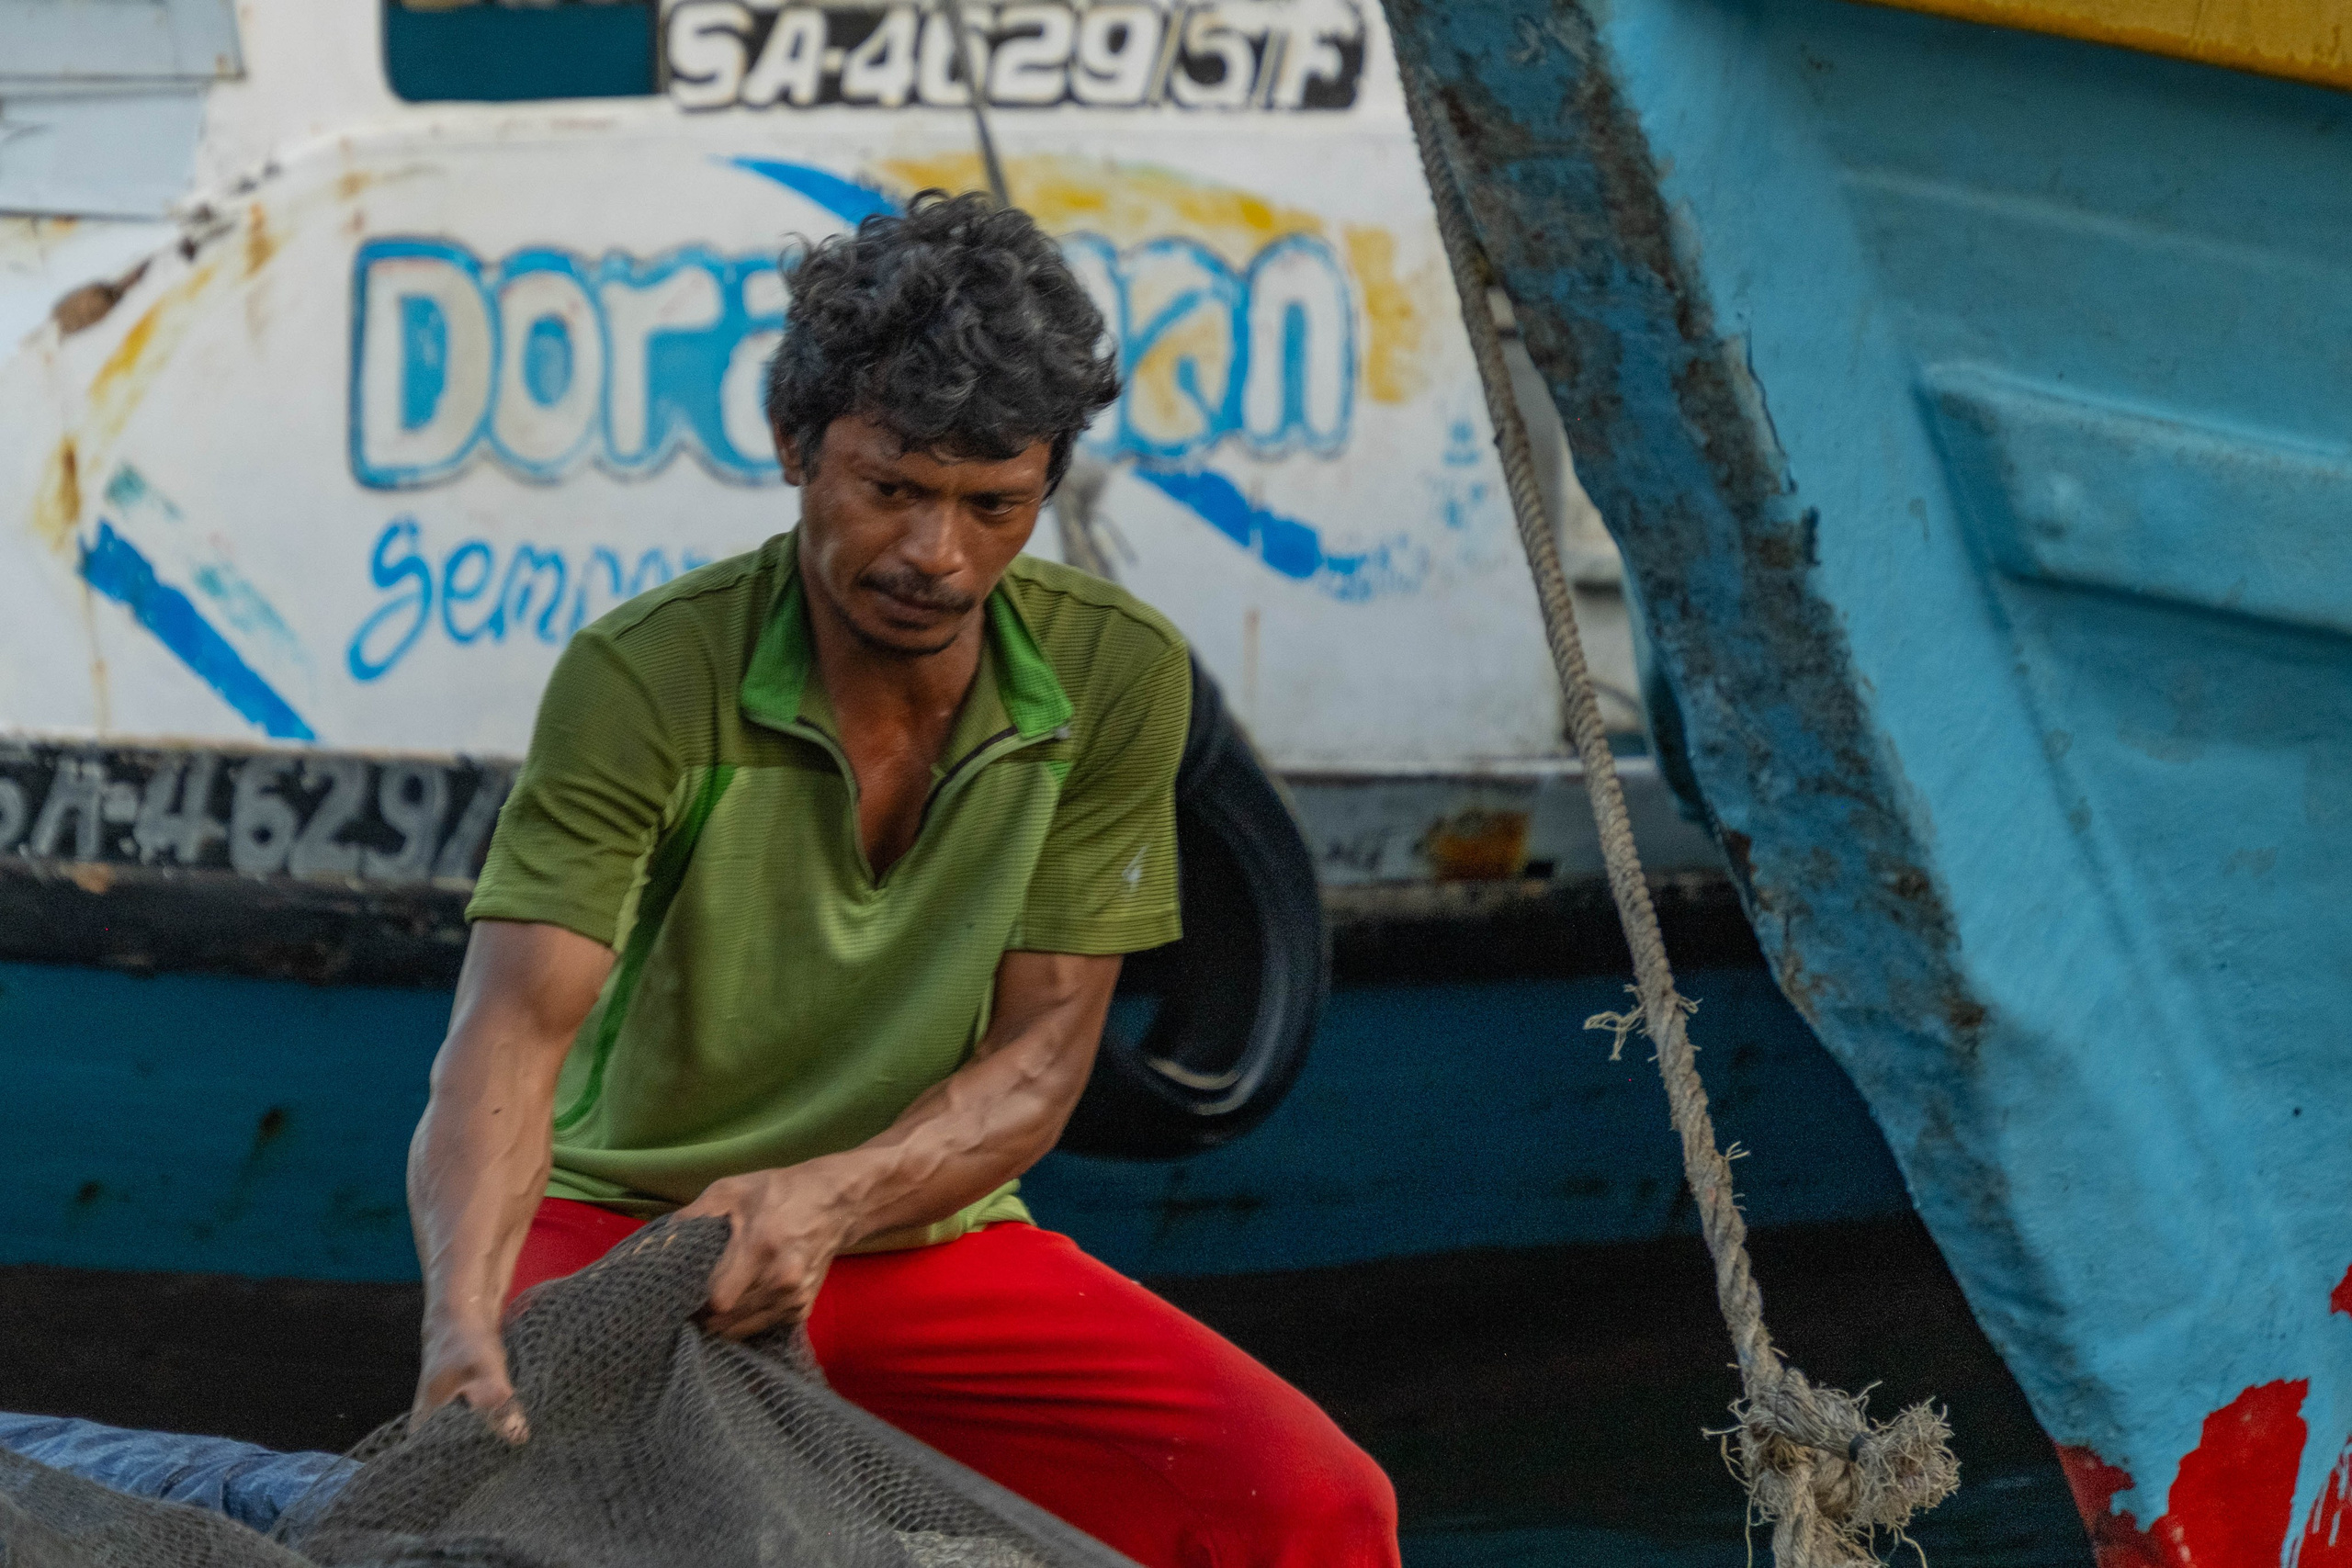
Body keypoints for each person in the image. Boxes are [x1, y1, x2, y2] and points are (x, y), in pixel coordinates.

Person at [406, 191, 1400, 1568]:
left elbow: (1044, 1061)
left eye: (992, 506)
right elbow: (511, 1032)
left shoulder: (1117, 676)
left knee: (1316, 1505)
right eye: (893, 489)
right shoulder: (645, 674)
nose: (937, 556)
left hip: (926, 1238)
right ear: (795, 448)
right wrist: (461, 1317)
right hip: (625, 1233)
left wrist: (831, 1199)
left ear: (1045, 487)